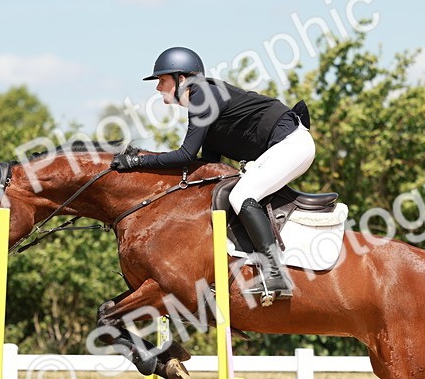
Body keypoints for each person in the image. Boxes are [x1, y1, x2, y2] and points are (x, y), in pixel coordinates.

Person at [110, 46, 316, 303]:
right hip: (287, 145)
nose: (158, 88)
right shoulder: (206, 101)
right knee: (232, 193)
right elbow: (206, 165)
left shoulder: (202, 97)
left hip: (292, 144)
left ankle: (275, 273)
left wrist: (137, 161)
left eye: (162, 80)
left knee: (242, 195)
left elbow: (185, 155)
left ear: (181, 79)